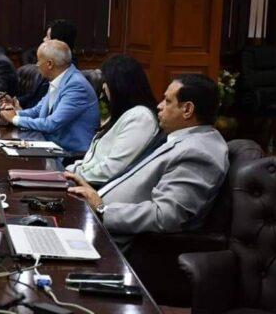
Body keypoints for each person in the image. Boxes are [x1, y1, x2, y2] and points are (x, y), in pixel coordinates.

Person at [67, 74, 229, 248]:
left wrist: (102, 210)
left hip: (114, 242)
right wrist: (93, 192)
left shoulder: (199, 152)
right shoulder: (184, 139)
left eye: (167, 101)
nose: (159, 106)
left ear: (187, 110)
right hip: (98, 221)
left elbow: (166, 216)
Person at [65, 55, 159, 185]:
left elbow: (111, 169)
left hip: (96, 187)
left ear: (118, 86)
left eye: (106, 83)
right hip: (85, 180)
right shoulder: (124, 114)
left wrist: (72, 175)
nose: (104, 89)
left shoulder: (141, 117)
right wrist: (70, 170)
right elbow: (94, 160)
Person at [0, 39, 99, 152]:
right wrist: (12, 113)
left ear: (50, 64)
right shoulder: (59, 78)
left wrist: (15, 119)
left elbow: (51, 124)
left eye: (38, 60)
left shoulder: (76, 86)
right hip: (50, 145)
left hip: (69, 152)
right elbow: (37, 111)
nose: (37, 64)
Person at [18, 19, 78, 109]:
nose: (44, 39)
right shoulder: (50, 65)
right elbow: (33, 96)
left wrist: (18, 113)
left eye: (47, 37)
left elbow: (43, 110)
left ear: (56, 43)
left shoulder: (66, 74)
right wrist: (14, 102)